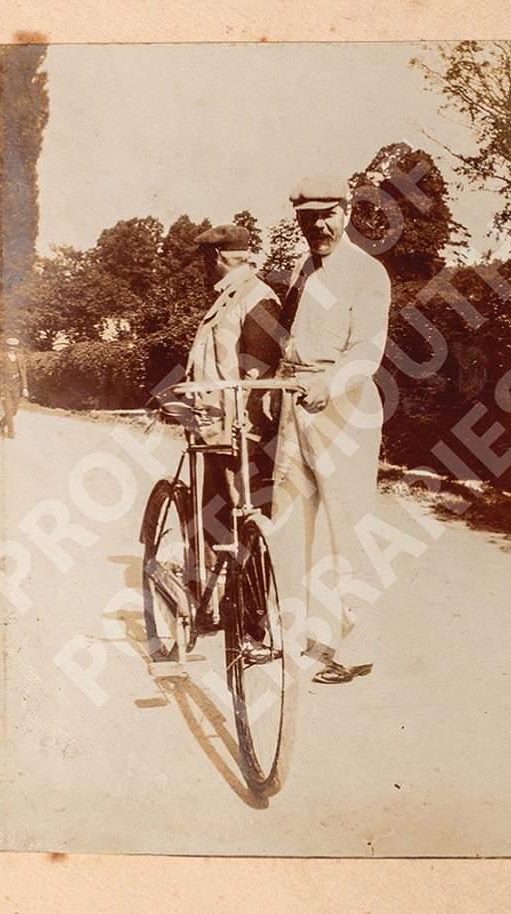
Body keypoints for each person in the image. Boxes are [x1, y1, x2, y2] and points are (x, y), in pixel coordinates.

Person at [271, 174, 391, 684]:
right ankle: (285, 633)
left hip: (344, 409)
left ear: (346, 212)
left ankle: (356, 647)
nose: (317, 225)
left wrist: (330, 383)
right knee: (286, 520)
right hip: (293, 401)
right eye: (306, 217)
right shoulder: (305, 268)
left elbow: (366, 349)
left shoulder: (368, 273)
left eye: (326, 214)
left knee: (349, 526)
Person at [185, 223, 281, 539]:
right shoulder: (228, 296)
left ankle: (234, 584)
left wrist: (247, 430)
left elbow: (262, 370)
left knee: (242, 520)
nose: (201, 267)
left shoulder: (256, 295)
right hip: (214, 427)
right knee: (214, 514)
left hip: (238, 433)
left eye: (203, 258)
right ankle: (209, 580)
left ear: (215, 255)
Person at [0, 336, 29, 438]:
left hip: (17, 386)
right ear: (7, 346)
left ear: (17, 347)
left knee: (14, 411)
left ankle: (2, 423)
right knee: (9, 409)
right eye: (10, 346)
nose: (12, 348)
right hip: (5, 385)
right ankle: (11, 432)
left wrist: (25, 388)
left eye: (14, 346)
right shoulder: (1, 357)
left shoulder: (21, 357)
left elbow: (23, 373)